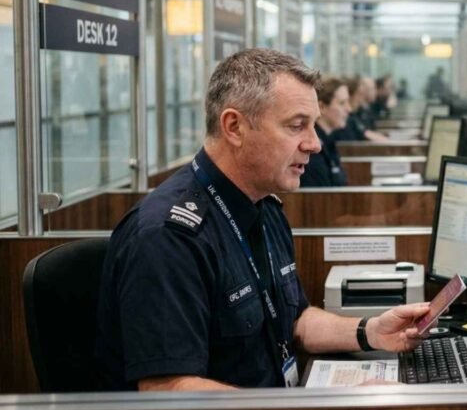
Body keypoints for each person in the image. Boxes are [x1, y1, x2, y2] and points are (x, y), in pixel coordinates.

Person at [96, 49, 429, 391]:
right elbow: (168, 390)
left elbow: (296, 319)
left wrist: (370, 330)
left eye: (314, 125)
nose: (314, 144)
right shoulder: (168, 237)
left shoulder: (264, 204)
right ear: (234, 127)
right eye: (297, 126)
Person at [300, 77, 350, 188]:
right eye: (342, 103)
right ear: (321, 107)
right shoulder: (313, 152)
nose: (349, 109)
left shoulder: (330, 140)